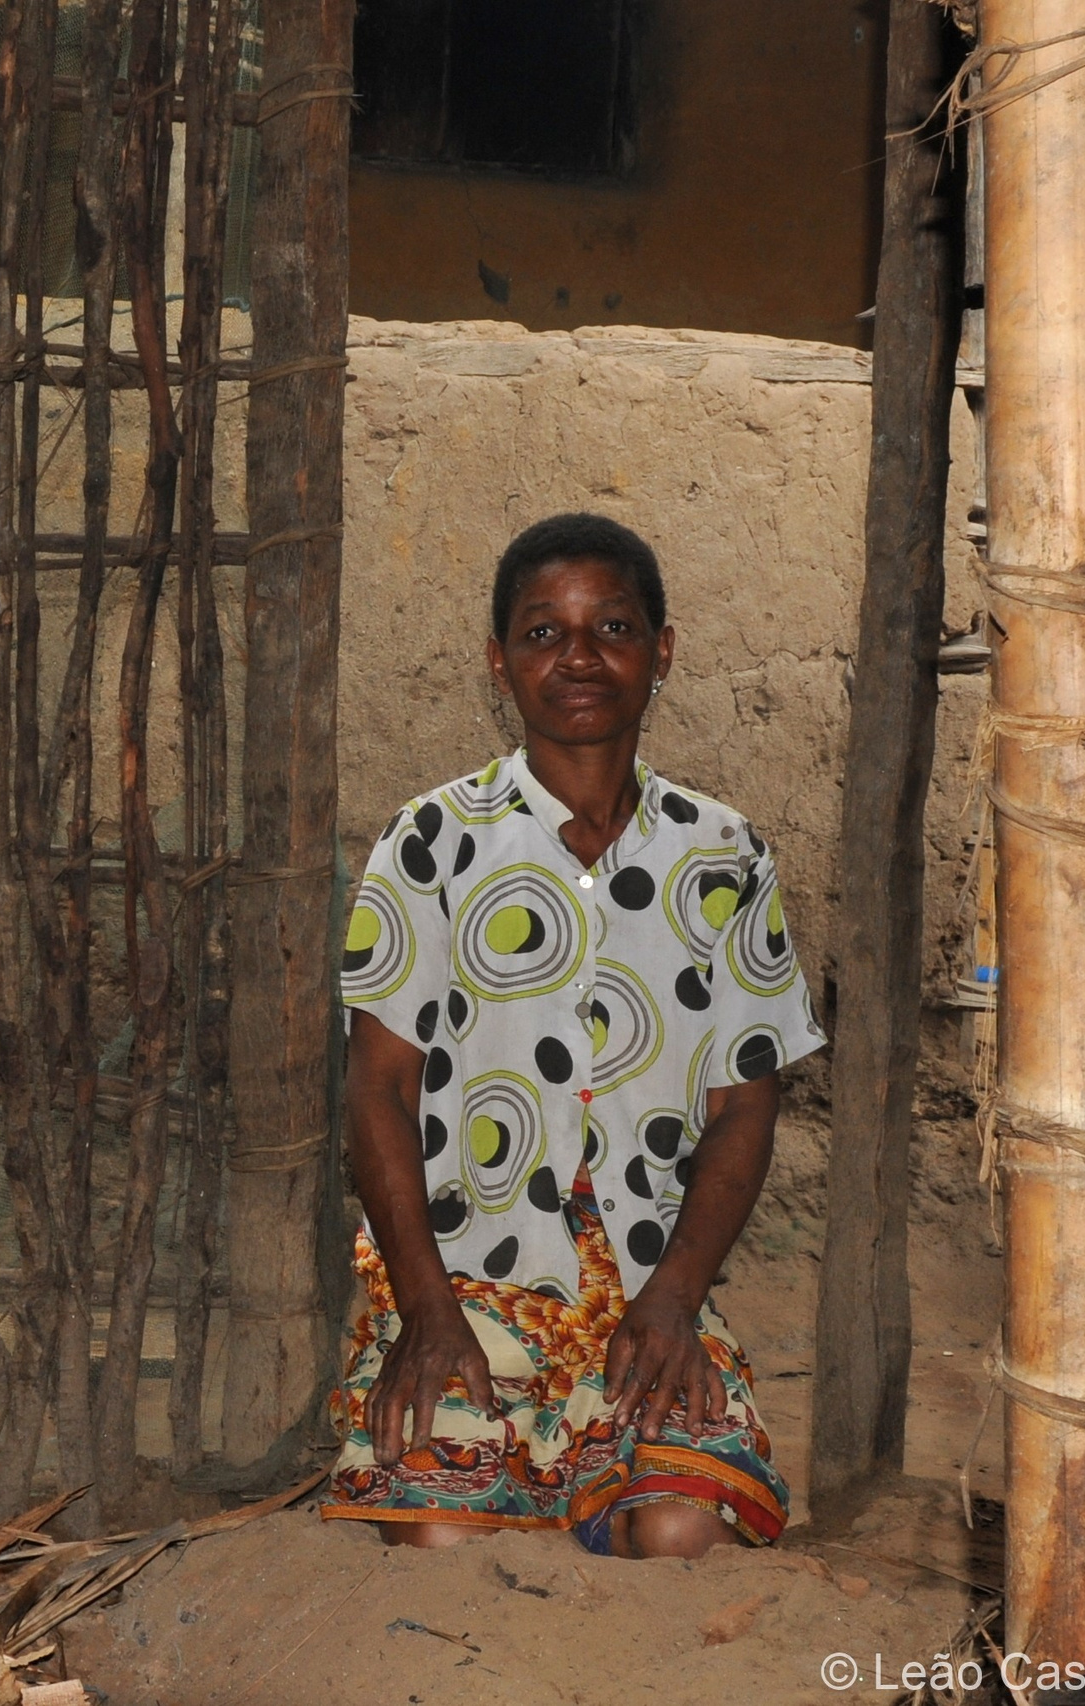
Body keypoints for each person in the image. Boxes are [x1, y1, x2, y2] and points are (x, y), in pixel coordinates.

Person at [320, 513, 822, 1560]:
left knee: (683, 1528)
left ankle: (592, 1479)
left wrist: (677, 1298)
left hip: (649, 1278)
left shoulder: (723, 858)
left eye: (613, 626)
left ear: (662, 650)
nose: (580, 656)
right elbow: (377, 1091)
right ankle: (528, 1465)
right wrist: (425, 1308)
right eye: (543, 632)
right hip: (465, 1272)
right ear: (498, 661)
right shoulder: (429, 843)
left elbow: (743, 1102)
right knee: (441, 1535)